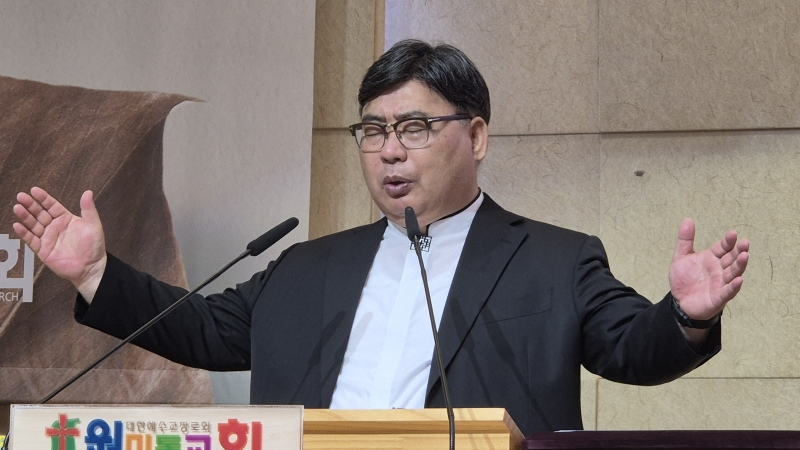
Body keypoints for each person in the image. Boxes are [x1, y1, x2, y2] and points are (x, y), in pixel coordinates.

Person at [12, 40, 749, 436]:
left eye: (414, 128)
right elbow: (201, 329)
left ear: (476, 136)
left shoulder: (555, 261)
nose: (389, 151)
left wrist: (686, 315)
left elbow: (632, 350)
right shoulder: (306, 267)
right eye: (372, 131)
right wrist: (97, 273)